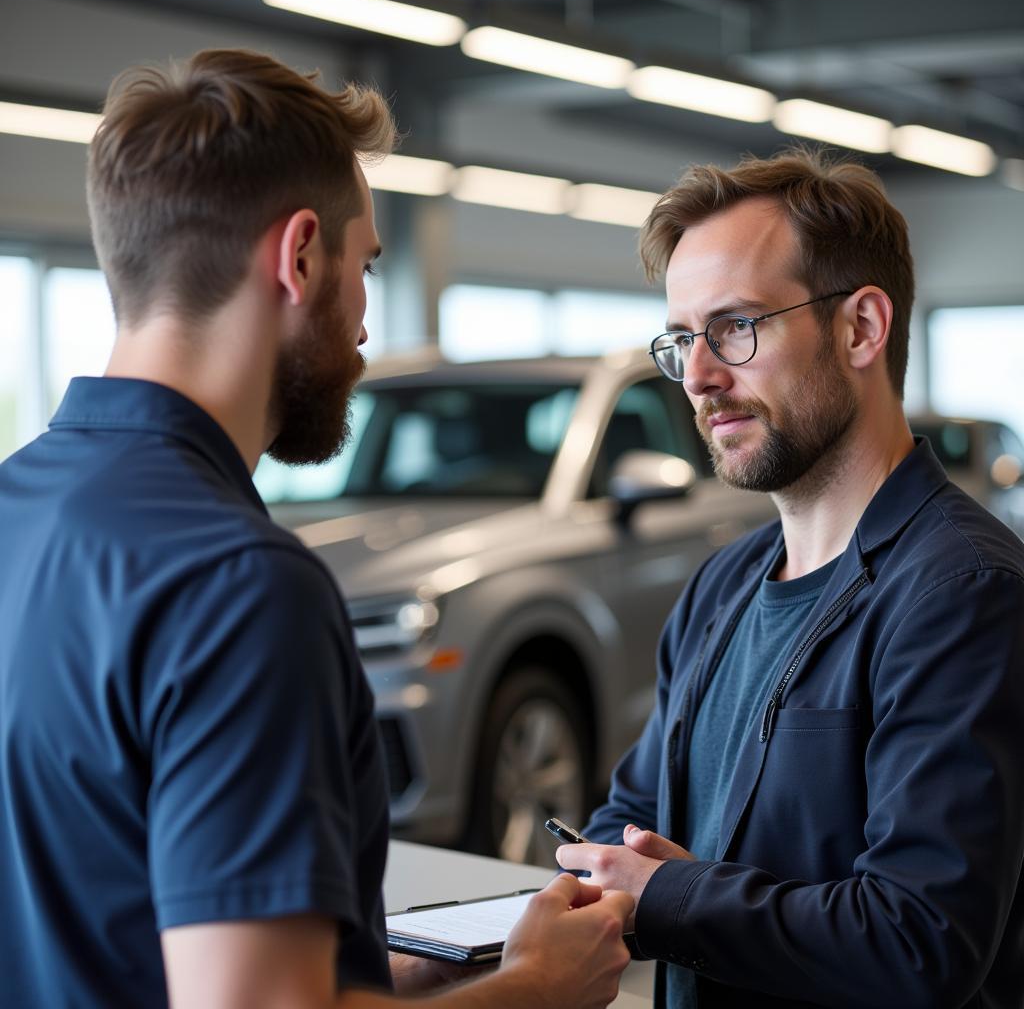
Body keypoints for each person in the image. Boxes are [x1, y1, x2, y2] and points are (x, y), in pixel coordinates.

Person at [0, 49, 633, 1009]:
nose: (367, 324)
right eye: (367, 265)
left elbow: (101, 913)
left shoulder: (18, 508)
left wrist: (362, 972)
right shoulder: (235, 584)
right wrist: (539, 989)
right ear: (300, 257)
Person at [556, 149, 1024, 1007]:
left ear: (860, 329)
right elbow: (631, 813)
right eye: (683, 339)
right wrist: (590, 878)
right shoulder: (720, 589)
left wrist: (668, 896)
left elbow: (921, 940)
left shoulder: (962, 595)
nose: (698, 376)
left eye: (737, 326)